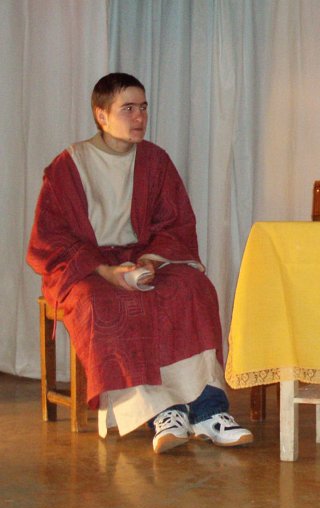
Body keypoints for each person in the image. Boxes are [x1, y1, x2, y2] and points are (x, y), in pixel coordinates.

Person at [27, 73, 252, 454]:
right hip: (90, 267)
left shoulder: (155, 161)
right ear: (101, 115)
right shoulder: (69, 166)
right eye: (128, 109)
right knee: (102, 303)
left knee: (192, 288)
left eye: (143, 108)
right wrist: (106, 271)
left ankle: (208, 410)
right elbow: (51, 238)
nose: (139, 117)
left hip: (145, 257)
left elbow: (175, 222)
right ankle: (161, 413)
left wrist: (148, 260)